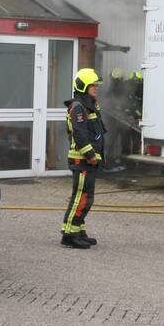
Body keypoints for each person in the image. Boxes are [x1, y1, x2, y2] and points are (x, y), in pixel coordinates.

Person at [60, 68, 106, 249]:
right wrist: (91, 155)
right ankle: (69, 235)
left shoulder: (89, 105)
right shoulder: (78, 107)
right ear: (83, 87)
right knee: (81, 198)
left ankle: (78, 230)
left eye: (96, 86)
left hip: (88, 160)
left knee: (84, 198)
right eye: (93, 86)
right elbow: (80, 135)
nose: (96, 89)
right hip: (82, 160)